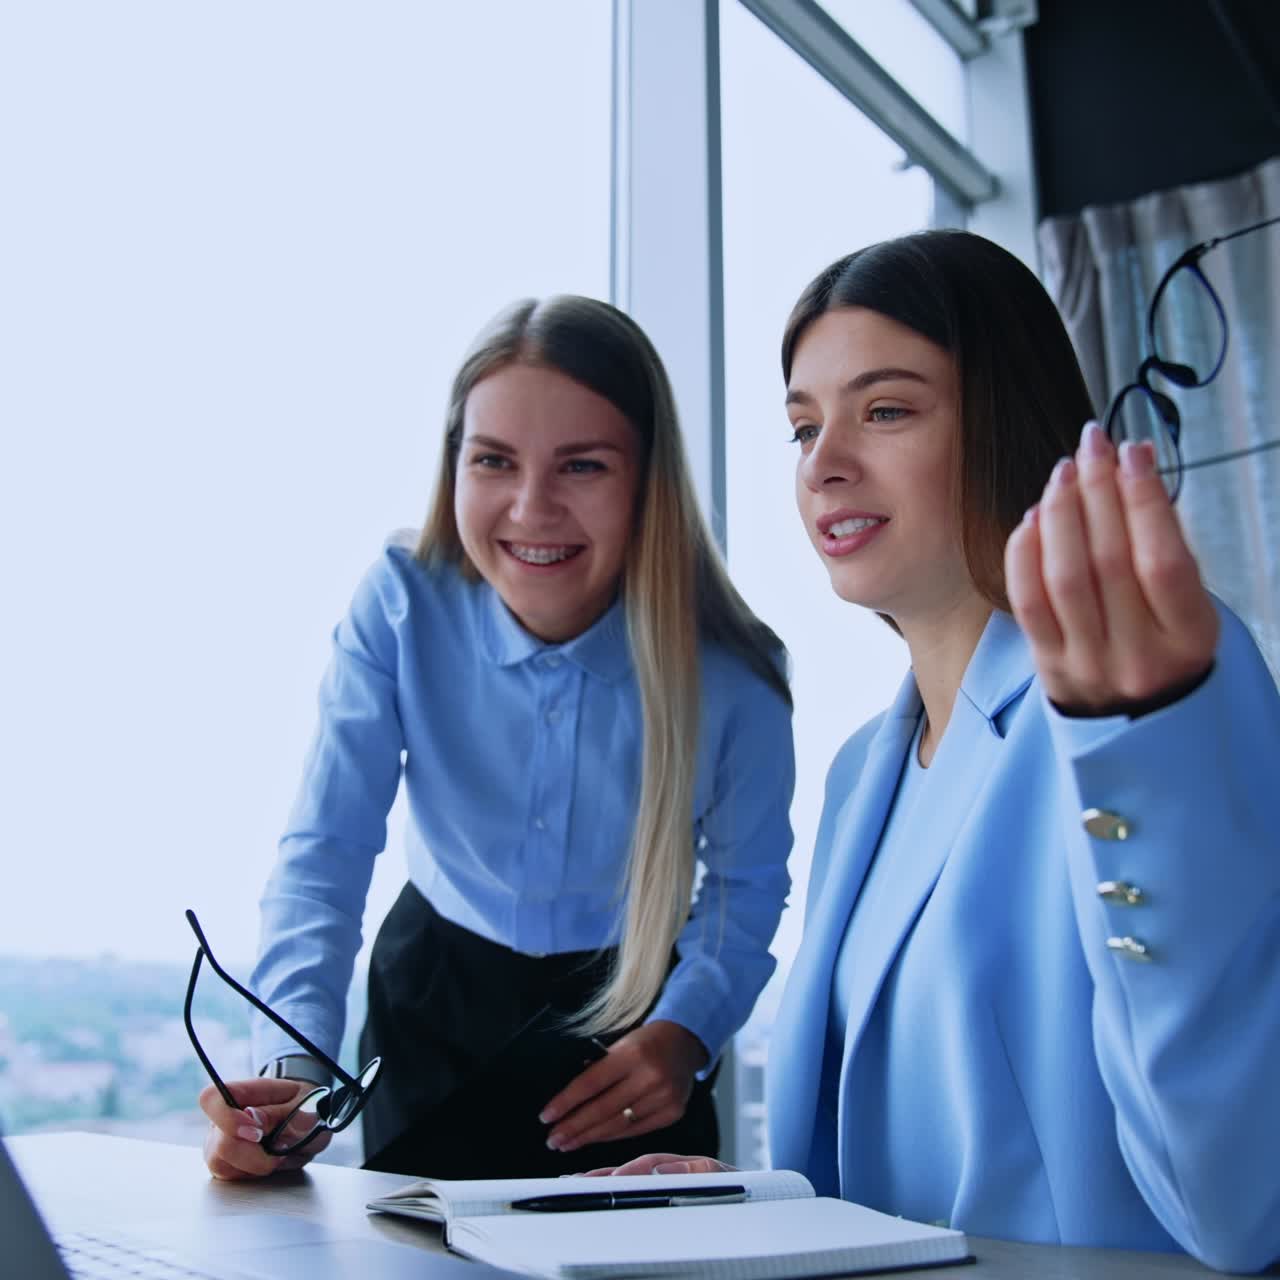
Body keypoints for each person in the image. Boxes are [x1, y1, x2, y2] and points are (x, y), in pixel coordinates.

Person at [584, 231, 1280, 1274]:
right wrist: (746, 1203)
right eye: (803, 426)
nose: (823, 462)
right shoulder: (862, 770)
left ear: (1000, 417)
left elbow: (1244, 1203)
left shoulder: (1146, 682)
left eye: (885, 409)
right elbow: (903, 1167)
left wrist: (1132, 739)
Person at [196, 295, 795, 1181]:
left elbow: (745, 892)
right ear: (454, 469)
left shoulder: (736, 675)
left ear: (648, 481)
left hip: (632, 1036)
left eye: (583, 466)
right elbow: (326, 852)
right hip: (429, 1012)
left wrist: (687, 1029)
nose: (530, 507)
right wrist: (293, 1069)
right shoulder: (401, 605)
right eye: (494, 461)